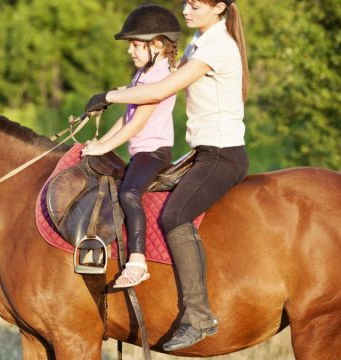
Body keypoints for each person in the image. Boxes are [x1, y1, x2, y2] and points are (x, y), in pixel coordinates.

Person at [85, 0, 249, 352]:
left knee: (174, 215)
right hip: (202, 153)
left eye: (195, 4)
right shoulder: (196, 44)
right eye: (186, 3)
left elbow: (160, 91)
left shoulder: (217, 47)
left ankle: (199, 315)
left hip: (222, 155)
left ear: (219, 7)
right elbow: (153, 87)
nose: (186, 9)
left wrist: (109, 95)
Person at [81, 4, 181, 289]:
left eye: (136, 45)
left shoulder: (160, 77)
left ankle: (138, 262)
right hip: (140, 152)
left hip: (154, 153)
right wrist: (101, 142)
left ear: (158, 44)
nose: (130, 51)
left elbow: (136, 125)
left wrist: (105, 147)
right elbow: (126, 118)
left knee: (130, 194)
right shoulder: (143, 75)